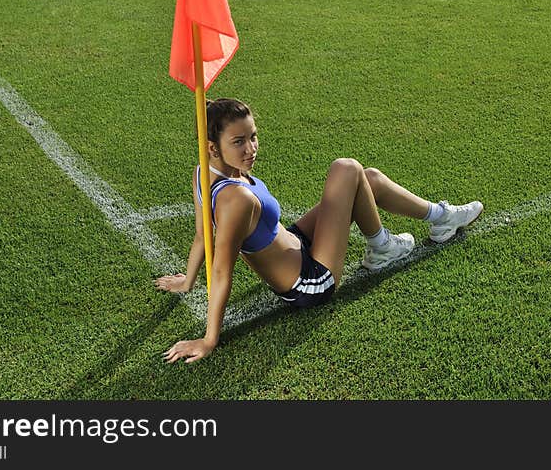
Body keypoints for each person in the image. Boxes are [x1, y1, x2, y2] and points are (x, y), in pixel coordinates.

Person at [156, 98, 483, 363]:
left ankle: (441, 218)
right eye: (238, 142)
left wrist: (187, 280)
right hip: (309, 281)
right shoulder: (234, 199)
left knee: (366, 178)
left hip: (297, 244)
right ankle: (382, 247)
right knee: (347, 168)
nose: (251, 149)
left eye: (253, 136)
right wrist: (209, 339)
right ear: (213, 147)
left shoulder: (205, 170)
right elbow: (222, 268)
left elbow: (202, 235)